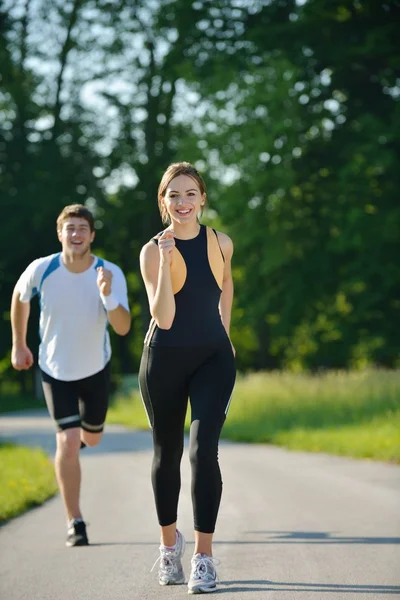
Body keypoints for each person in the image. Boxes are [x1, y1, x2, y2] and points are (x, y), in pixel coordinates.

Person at [139, 162, 236, 594]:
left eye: (190, 193)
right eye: (173, 195)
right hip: (164, 359)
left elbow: (226, 285)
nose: (182, 202)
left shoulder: (220, 242)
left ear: (202, 198)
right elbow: (164, 315)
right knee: (167, 453)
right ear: (163, 201)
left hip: (213, 359)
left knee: (202, 452)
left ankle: (203, 556)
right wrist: (164, 261)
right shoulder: (151, 250)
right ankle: (167, 546)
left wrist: (226, 335)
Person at [10, 204, 131, 547]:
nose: (76, 234)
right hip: (55, 369)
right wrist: (19, 344)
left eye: (82, 228)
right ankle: (74, 521)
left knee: (90, 439)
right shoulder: (42, 269)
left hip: (95, 368)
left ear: (92, 235)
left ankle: (75, 442)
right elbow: (20, 299)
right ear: (60, 233)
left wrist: (107, 294)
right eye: (70, 228)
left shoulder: (109, 272)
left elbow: (122, 328)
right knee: (68, 440)